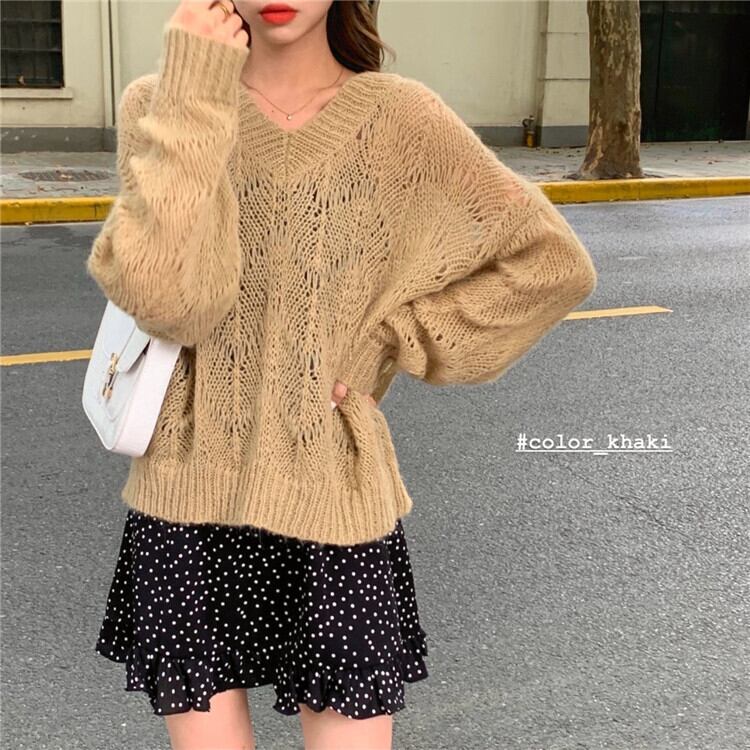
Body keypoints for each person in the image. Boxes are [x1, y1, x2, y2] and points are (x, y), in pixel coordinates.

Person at [87, 1, 598, 748]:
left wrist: (391, 339)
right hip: (186, 493)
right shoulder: (163, 105)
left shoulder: (401, 120)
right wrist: (194, 94)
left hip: (332, 492)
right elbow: (170, 304)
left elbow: (551, 264)